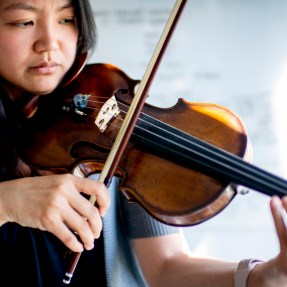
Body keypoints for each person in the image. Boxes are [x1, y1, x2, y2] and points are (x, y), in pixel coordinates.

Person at [0, 0, 287, 286]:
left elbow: (167, 267)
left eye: (67, 19)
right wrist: (7, 203)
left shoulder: (107, 96)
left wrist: (263, 277)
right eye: (23, 22)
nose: (50, 43)